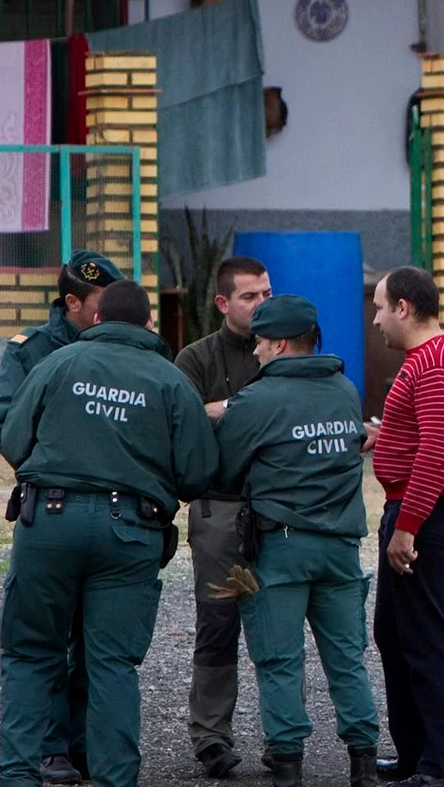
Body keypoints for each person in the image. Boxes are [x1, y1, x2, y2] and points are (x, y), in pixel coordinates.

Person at [0, 280, 217, 787]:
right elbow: (199, 471)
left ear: (95, 320)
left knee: (31, 652)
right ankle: (116, 779)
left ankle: (18, 777)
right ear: (148, 325)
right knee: (112, 663)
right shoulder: (171, 381)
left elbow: (12, 437)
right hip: (130, 531)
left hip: (47, 521)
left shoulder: (56, 364)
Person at [213, 294, 379, 787]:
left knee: (279, 659)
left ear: (281, 342)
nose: (256, 352)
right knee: (347, 659)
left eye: (261, 342)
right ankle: (364, 764)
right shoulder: (345, 390)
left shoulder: (257, 399)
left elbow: (225, 467)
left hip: (281, 547)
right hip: (341, 546)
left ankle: (287, 764)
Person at [0, 248, 123, 786]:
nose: (109, 314)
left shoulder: (122, 349)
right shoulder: (31, 351)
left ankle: (85, 743)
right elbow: (5, 423)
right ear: (72, 303)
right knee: (44, 635)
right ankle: (48, 747)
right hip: (54, 506)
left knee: (96, 638)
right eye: (99, 304)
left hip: (113, 512)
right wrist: (57, 468)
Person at [369, 266, 444, 787]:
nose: (376, 320)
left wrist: (407, 527)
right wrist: (382, 437)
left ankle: (441, 767)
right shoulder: (430, 359)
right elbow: (424, 433)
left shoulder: (433, 363)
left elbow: (437, 451)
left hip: (426, 512)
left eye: (380, 307)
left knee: (427, 641)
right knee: (393, 634)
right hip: (417, 507)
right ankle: (415, 754)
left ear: (404, 308)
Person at [173, 255, 272, 778]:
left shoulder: (285, 348)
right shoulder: (195, 358)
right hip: (218, 510)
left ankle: (284, 737)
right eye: (250, 296)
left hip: (279, 511)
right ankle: (211, 736)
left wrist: (223, 410)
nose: (261, 304)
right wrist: (246, 409)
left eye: (266, 294)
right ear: (222, 303)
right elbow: (183, 425)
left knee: (278, 624)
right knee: (217, 624)